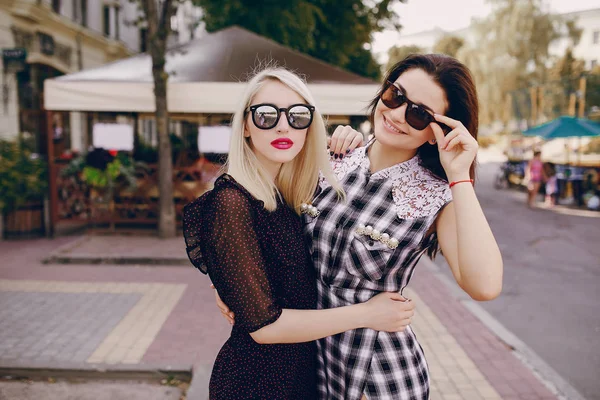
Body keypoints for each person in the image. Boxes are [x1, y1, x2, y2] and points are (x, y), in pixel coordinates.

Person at [216, 54, 503, 400]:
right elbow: (262, 223)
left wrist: (459, 176)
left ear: (436, 132)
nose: (397, 114)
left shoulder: (435, 196)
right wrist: (235, 286)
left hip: (375, 373)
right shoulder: (327, 159)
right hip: (306, 361)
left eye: (419, 113)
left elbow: (484, 286)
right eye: (396, 96)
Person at [182, 67, 417, 400]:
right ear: (246, 126)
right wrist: (368, 314)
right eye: (266, 115)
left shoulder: (287, 195)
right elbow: (265, 328)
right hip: (256, 384)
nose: (282, 125)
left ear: (310, 126)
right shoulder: (231, 202)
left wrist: (348, 140)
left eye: (297, 116)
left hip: (304, 377)